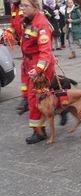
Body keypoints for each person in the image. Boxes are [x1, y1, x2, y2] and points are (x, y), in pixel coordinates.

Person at [20, 0, 56, 144]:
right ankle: (39, 128)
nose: (23, 9)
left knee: (34, 98)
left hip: (39, 65)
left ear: (36, 7)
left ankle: (39, 132)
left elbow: (45, 51)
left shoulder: (41, 24)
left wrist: (39, 69)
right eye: (22, 6)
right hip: (30, 63)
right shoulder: (28, 20)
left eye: (26, 6)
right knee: (34, 98)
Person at [2, 0, 28, 115]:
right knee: (25, 72)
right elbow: (14, 25)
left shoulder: (28, 5)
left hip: (31, 45)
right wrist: (8, 32)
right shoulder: (14, 6)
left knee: (36, 73)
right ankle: (26, 98)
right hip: (24, 46)